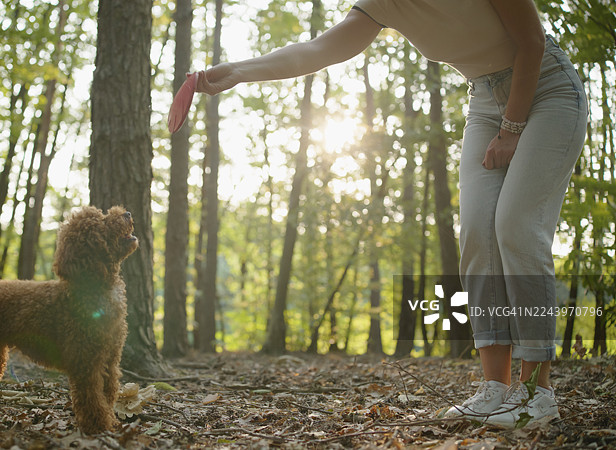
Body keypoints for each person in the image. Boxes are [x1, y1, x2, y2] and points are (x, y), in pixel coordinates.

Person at [194, 0, 587, 428]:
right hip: (485, 101)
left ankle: (537, 394)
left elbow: (530, 40)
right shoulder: (379, 4)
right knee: (476, 234)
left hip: (547, 88)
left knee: (515, 225)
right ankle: (495, 389)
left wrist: (511, 129)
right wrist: (237, 71)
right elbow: (317, 49)